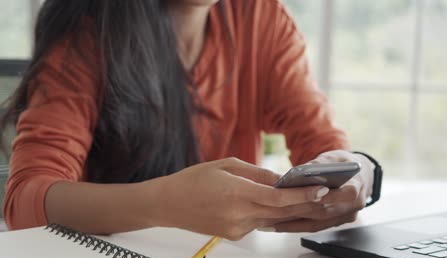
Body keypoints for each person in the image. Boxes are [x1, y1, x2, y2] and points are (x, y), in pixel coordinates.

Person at [1, 0, 379, 240]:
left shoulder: (260, 17)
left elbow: (322, 142)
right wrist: (162, 203)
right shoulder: (86, 27)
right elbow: (24, 202)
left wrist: (357, 168)